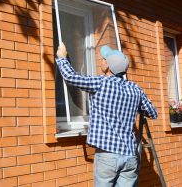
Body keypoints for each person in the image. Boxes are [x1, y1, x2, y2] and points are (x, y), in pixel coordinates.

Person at [55, 43, 158, 187]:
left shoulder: (101, 83)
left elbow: (71, 77)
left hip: (107, 156)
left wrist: (61, 58)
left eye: (104, 59)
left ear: (108, 66)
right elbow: (152, 113)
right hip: (130, 156)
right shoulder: (135, 89)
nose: (101, 61)